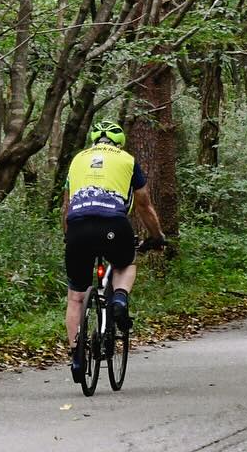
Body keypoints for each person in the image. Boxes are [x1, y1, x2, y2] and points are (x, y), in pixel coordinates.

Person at [61, 120, 165, 383]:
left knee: (75, 297)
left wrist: (69, 237)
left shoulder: (77, 161)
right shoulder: (128, 160)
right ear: (119, 143)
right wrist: (157, 236)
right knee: (126, 263)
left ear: (94, 141)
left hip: (78, 227)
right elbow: (144, 204)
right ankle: (119, 298)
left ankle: (76, 356)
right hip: (113, 225)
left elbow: (66, 206)